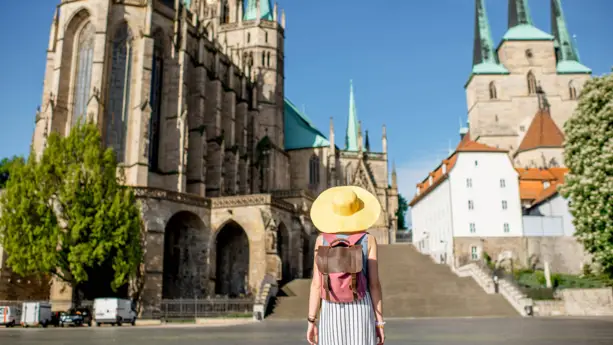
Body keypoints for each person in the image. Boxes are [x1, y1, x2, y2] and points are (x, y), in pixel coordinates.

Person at [306, 185, 385, 345]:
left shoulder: (321, 240)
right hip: (361, 306)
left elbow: (316, 284)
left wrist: (311, 321)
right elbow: (374, 284)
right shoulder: (368, 240)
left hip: (331, 307)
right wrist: (379, 322)